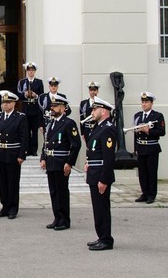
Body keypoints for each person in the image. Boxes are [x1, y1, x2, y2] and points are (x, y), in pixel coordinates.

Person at [40, 93, 80, 231]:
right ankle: (57, 218)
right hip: (51, 161)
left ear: (63, 108)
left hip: (61, 162)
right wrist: (43, 158)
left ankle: (64, 220)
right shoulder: (51, 123)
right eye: (52, 106)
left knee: (62, 192)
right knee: (54, 191)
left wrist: (69, 163)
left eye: (56, 106)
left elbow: (76, 145)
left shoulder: (68, 123)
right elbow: (46, 143)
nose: (53, 108)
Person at [0, 90, 29, 219]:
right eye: (3, 103)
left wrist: (22, 155)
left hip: (13, 153)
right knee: (3, 182)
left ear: (13, 103)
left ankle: (13, 208)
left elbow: (24, 138)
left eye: (8, 102)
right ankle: (4, 207)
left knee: (12, 182)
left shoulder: (20, 117)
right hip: (1, 153)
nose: (5, 105)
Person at [84, 97, 117, 250]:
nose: (92, 112)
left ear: (103, 111)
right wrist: (88, 163)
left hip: (100, 175)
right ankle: (101, 236)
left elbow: (109, 158)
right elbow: (94, 151)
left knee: (102, 208)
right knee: (97, 208)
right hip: (94, 172)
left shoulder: (108, 128)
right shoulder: (98, 127)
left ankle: (106, 239)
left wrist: (104, 179)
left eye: (95, 109)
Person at [132, 92, 166, 204]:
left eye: (146, 102)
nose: (144, 104)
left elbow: (162, 132)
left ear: (151, 103)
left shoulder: (157, 116)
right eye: (143, 102)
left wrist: (148, 130)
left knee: (151, 172)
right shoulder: (137, 116)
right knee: (142, 173)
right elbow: (135, 133)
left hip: (151, 147)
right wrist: (135, 148)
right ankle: (144, 193)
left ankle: (151, 194)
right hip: (140, 147)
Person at [17, 62, 44, 156]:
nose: (31, 72)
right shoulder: (22, 82)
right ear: (27, 71)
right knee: (26, 131)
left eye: (32, 70)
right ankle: (27, 150)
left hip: (35, 109)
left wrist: (35, 95)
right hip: (26, 108)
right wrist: (24, 95)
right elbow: (18, 95)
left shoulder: (39, 82)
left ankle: (34, 150)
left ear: (35, 71)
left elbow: (42, 96)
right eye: (29, 70)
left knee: (35, 131)